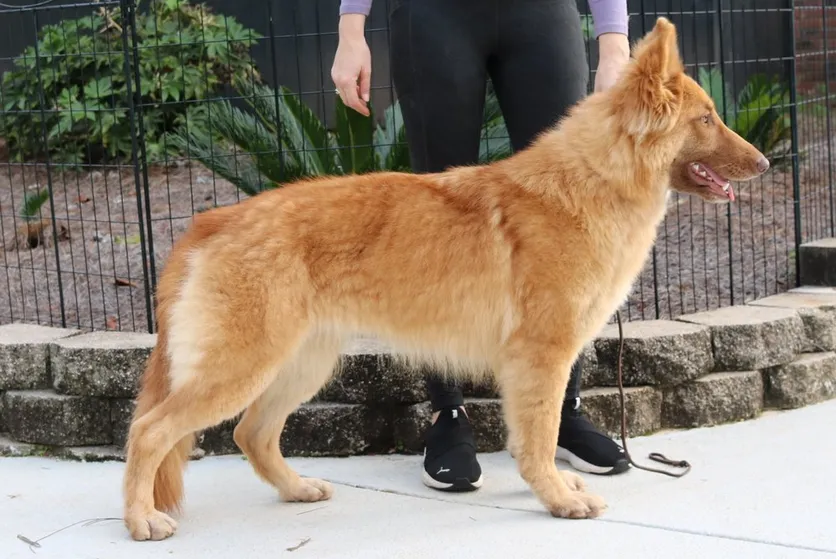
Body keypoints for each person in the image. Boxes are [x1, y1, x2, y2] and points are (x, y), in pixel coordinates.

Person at [332, 0, 632, 492]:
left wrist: (614, 40)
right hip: (434, 18)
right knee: (438, 222)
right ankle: (446, 413)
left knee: (565, 209)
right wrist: (351, 28)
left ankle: (562, 413)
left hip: (541, 17)